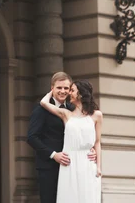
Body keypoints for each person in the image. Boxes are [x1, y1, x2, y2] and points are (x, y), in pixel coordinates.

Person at [27, 72, 96, 203]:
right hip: (49, 167)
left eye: (66, 88)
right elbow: (32, 137)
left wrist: (90, 149)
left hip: (71, 166)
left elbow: (83, 132)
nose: (63, 91)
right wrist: (54, 155)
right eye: (59, 88)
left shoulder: (72, 109)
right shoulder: (41, 110)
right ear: (52, 88)